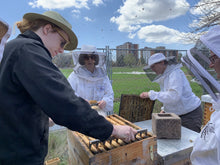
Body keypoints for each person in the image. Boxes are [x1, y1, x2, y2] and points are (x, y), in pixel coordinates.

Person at [0, 11, 137, 164]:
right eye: (62, 43)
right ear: (47, 29)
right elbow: (64, 102)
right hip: (18, 155)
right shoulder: (28, 49)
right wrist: (114, 130)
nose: (61, 50)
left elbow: (20, 102)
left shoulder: (19, 47)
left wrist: (44, 119)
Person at [181, 25, 220, 165]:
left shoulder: (175, 75)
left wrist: (153, 94)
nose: (210, 65)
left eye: (213, 58)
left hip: (189, 113)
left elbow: (174, 96)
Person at [140, 53, 202, 133]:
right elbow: (166, 94)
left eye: (153, 66)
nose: (152, 69)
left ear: (162, 62)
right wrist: (164, 110)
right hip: (177, 114)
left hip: (189, 114)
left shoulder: (175, 73)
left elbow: (174, 96)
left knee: (191, 141)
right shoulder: (165, 75)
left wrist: (151, 94)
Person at [68, 45, 114, 117]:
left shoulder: (103, 75)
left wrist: (105, 102)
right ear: (82, 59)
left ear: (96, 59)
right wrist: (81, 102)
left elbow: (109, 94)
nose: (90, 60)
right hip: (81, 115)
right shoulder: (74, 76)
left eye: (92, 57)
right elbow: (69, 94)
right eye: (86, 57)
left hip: (100, 114)